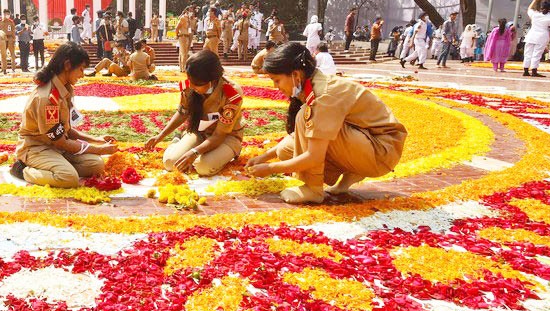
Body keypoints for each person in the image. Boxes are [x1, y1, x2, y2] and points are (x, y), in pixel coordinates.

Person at [246, 42, 407, 204]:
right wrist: (265, 157)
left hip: (382, 151)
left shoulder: (322, 97)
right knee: (285, 149)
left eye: (277, 80)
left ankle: (313, 189)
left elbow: (314, 156)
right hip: (368, 144)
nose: (275, 87)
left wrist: (270, 169)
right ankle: (351, 174)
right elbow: (303, 137)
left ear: (295, 75)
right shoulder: (312, 85)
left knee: (305, 116)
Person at [11, 43, 116, 188]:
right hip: (37, 148)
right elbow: (60, 141)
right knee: (68, 178)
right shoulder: (48, 98)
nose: (82, 74)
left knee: (96, 165)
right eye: (80, 69)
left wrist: (96, 140)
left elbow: (66, 130)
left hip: (56, 146)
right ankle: (22, 170)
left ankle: (58, 166)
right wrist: (99, 149)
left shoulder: (65, 89)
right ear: (67, 65)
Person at [143, 51, 243, 176]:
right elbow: (182, 113)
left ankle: (231, 152)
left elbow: (219, 134)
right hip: (200, 131)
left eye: (196, 84)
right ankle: (178, 140)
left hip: (226, 137)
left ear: (212, 80)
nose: (191, 86)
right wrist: (160, 136)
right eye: (189, 80)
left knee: (203, 167)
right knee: (170, 163)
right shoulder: (189, 85)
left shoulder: (231, 94)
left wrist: (195, 152)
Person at [523, 0, 550, 77]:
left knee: (527, 53)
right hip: (542, 36)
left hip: (531, 35)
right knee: (537, 54)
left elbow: (529, 8)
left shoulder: (535, 15)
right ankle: (534, 71)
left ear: (541, 8)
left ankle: (526, 70)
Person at [175, 6, 194, 71]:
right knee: (184, 52)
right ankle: (184, 68)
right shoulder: (183, 18)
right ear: (186, 11)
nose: (191, 13)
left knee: (184, 52)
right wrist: (177, 35)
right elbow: (177, 28)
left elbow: (189, 30)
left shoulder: (189, 19)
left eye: (192, 11)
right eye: (190, 11)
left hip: (187, 36)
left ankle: (182, 67)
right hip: (182, 36)